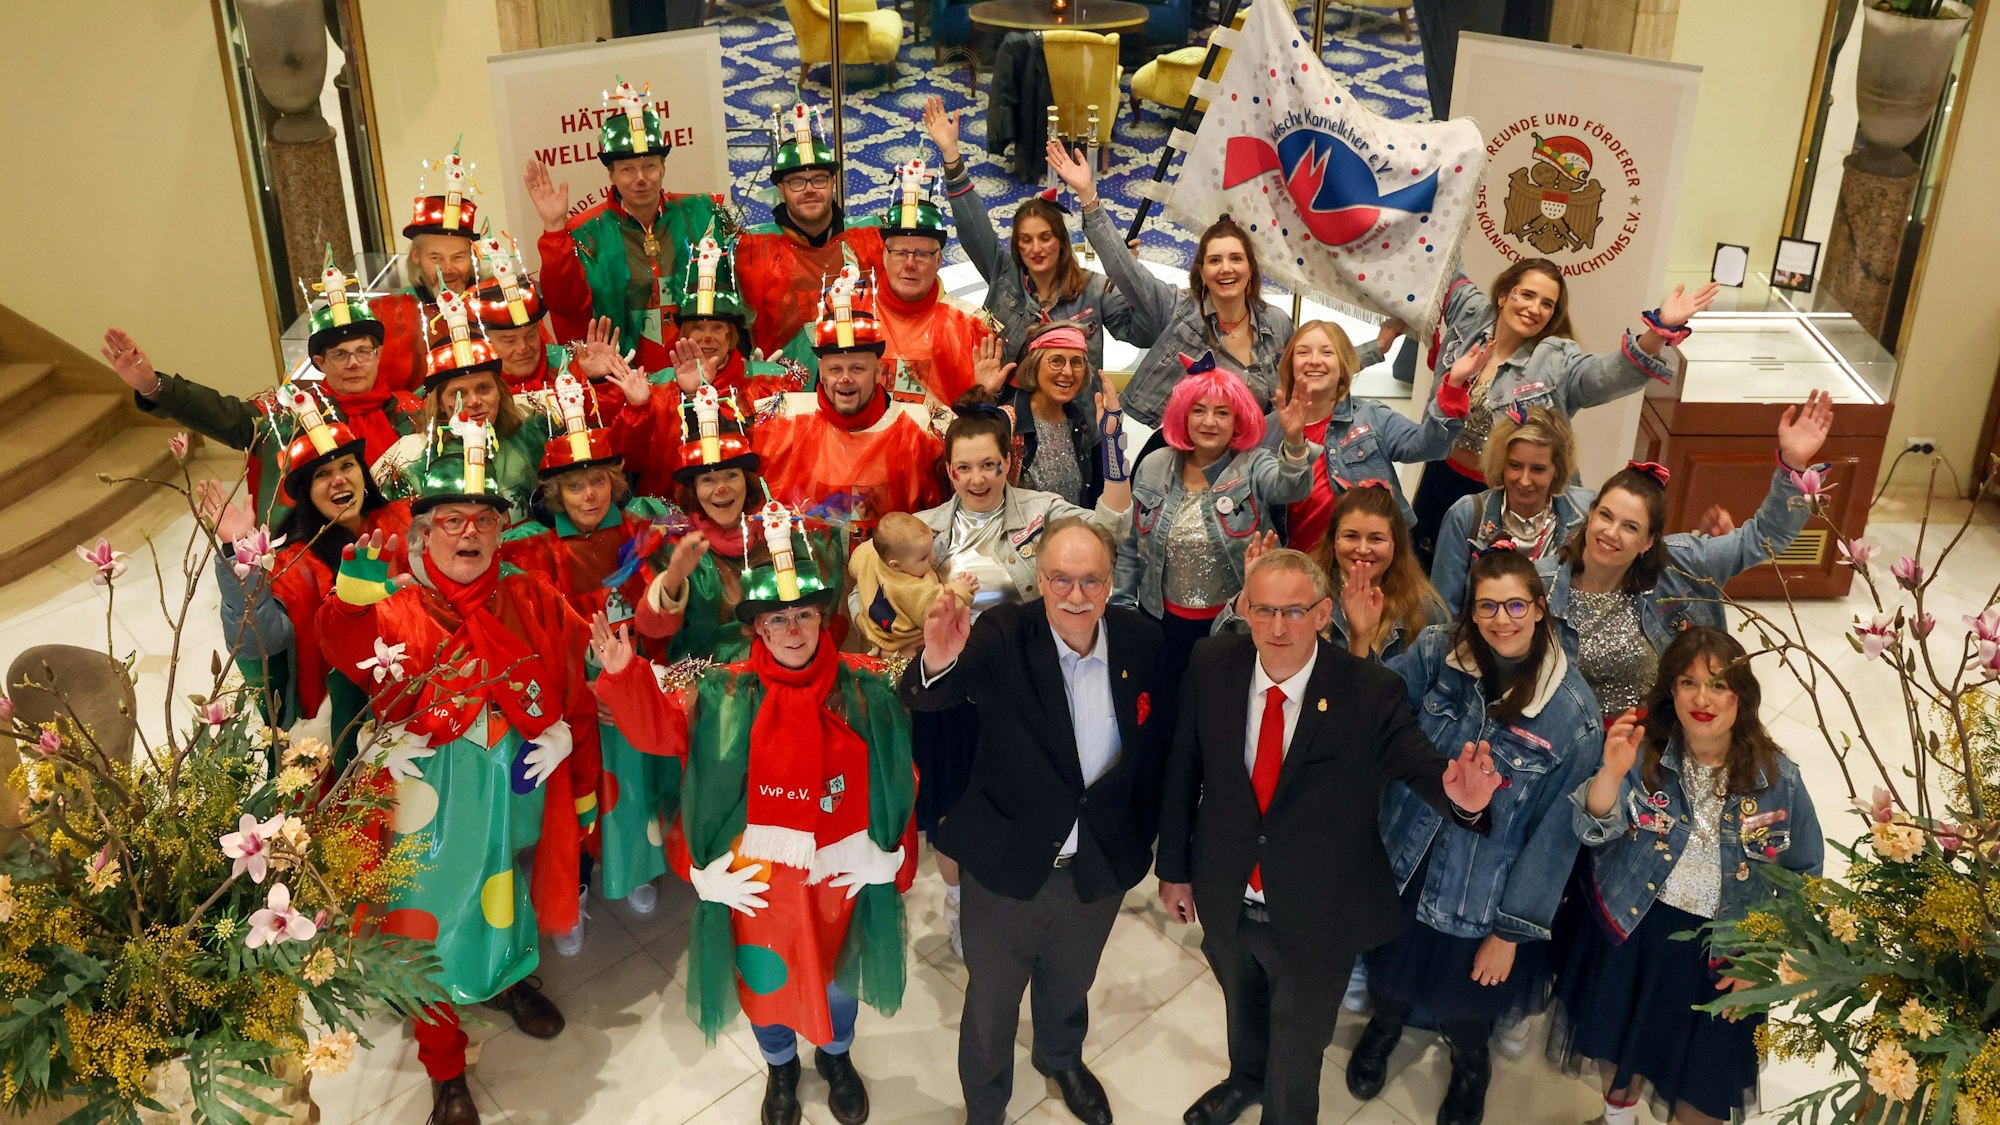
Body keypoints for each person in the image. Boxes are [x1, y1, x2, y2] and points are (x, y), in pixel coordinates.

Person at [1155, 549, 1504, 1125]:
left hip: (1316, 913)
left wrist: (1460, 799)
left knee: (1298, 1047)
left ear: (1323, 614)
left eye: (1294, 611)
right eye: (1263, 609)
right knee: (1242, 1009)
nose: (1275, 627)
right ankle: (1244, 1080)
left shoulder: (1369, 690)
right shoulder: (1213, 661)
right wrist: (1174, 867)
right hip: (1226, 888)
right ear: (1243, 608)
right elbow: (1182, 767)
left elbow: (1420, 765)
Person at [588, 523, 916, 1125]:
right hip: (758, 882)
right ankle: (781, 1066)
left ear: (823, 619)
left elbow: (901, 776)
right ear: (756, 628)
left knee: (840, 978)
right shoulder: (722, 691)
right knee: (767, 979)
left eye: (803, 616)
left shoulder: (864, 687)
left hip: (839, 873)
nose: (792, 631)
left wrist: (892, 860)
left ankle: (836, 1057)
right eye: (776, 619)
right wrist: (626, 675)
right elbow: (660, 730)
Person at [317, 426, 598, 1125]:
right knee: (424, 921)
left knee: (506, 887)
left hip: (512, 789)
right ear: (424, 530)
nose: (468, 533)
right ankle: (444, 1065)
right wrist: (351, 596)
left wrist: (563, 730)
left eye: (483, 519)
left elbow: (570, 664)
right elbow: (344, 643)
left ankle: (507, 980)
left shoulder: (528, 591)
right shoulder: (399, 602)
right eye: (451, 520)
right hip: (428, 798)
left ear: (502, 529)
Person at [902, 517, 1170, 1125]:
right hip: (1006, 865)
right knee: (992, 1005)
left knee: (1070, 983)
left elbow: (1156, 749)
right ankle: (986, 1106)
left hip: (1096, 864)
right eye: (1060, 580)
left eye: (1091, 581)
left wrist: (1143, 840)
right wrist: (938, 661)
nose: (1076, 596)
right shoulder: (1003, 632)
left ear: (1111, 583)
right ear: (1039, 582)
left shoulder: (1140, 641)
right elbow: (928, 698)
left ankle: (1060, 1058)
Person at [1346, 547, 1604, 1125]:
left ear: (1540, 608)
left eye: (1516, 604)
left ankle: (1469, 1065)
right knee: (1388, 974)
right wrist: (1361, 639)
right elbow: (1375, 717)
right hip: (1402, 862)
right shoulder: (1439, 651)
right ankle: (1383, 1029)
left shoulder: (1574, 717)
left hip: (1480, 894)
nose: (1501, 619)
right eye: (1487, 606)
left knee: (1467, 1005)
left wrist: (1511, 932)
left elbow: (1555, 841)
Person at [1554, 627, 1825, 1125]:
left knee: (1704, 1087)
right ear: (1670, 691)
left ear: (1742, 696)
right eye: (1687, 682)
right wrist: (1610, 776)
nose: (1703, 698)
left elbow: (1805, 876)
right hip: (1631, 930)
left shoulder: (1780, 781)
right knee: (1616, 1048)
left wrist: (1767, 963)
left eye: (1719, 684)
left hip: (1724, 954)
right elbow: (1592, 832)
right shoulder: (1640, 754)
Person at [907, 394, 1133, 955]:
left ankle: (1021, 891)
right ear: (948, 469)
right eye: (963, 467)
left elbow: (1111, 528)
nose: (977, 477)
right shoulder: (923, 529)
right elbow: (878, 601)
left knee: (1024, 797)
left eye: (989, 464)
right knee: (952, 807)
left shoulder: (1041, 510)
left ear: (1010, 460)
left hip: (1024, 686)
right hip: (956, 688)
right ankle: (960, 904)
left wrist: (1113, 452)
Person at [1370, 257, 1718, 564]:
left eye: (1547, 304)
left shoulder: (1555, 359)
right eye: (1527, 295)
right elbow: (1442, 258)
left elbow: (1610, 375)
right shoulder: (1472, 314)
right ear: (1504, 295)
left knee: (1490, 589)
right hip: (1440, 478)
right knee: (1427, 574)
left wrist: (1659, 332)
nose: (1535, 309)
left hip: (1507, 498)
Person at [498, 365, 681, 949]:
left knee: (633, 785)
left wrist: (633, 682)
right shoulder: (530, 547)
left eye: (598, 481)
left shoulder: (643, 528)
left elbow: (660, 616)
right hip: (573, 695)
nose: (588, 494)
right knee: (576, 795)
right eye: (574, 486)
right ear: (553, 491)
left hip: (634, 677)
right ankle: (572, 887)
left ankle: (634, 868)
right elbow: (533, 633)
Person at [1538, 391, 1834, 714]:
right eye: (1606, 516)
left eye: (1630, 527)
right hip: (1571, 740)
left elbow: (1765, 537)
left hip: (1658, 735)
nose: (1611, 533)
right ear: (1591, 515)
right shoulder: (1543, 580)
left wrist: (1792, 464)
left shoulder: (1680, 564)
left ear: (1649, 541)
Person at [202, 385, 411, 739]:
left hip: (421, 677)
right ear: (306, 496)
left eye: (347, 465)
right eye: (322, 474)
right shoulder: (297, 563)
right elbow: (260, 642)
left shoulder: (402, 518)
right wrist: (240, 559)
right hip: (352, 713)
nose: (340, 479)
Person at [104, 293, 425, 523]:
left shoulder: (412, 411)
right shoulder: (297, 413)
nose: (354, 363)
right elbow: (229, 418)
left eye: (363, 352)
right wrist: (152, 386)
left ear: (378, 355)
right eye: (340, 355)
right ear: (320, 363)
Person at [1113, 359, 1311, 719]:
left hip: (1233, 628)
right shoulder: (1154, 464)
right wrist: (1123, 613)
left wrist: (1295, 441)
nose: (1209, 421)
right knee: (1165, 722)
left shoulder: (1253, 464)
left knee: (1221, 724)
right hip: (1161, 625)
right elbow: (1130, 547)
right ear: (1182, 416)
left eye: (1222, 412)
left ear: (1238, 421)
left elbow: (1292, 487)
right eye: (1199, 410)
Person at [1050, 141, 1293, 429]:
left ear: (1250, 269)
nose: (1226, 268)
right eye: (1215, 260)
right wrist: (1088, 195)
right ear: (1202, 273)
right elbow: (1125, 270)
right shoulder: (1178, 307)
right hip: (1177, 450)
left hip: (1249, 459)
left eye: (1236, 259)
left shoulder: (1277, 324)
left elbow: (1309, 376)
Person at [525, 75, 724, 374]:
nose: (641, 178)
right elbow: (564, 303)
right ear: (611, 175)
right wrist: (554, 228)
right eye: (627, 169)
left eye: (650, 166)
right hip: (624, 374)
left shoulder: (699, 214)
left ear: (663, 168)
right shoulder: (587, 232)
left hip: (698, 366)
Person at [924, 96, 1138, 370]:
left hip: (1074, 409)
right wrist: (951, 155)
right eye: (1026, 240)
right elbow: (972, 227)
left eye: (1045, 238)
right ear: (1017, 247)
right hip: (1006, 406)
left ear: (1062, 242)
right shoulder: (1004, 274)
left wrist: (1128, 274)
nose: (1036, 248)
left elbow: (1141, 332)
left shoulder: (1094, 290)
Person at [755, 271, 946, 532]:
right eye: (835, 370)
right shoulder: (783, 421)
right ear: (821, 373)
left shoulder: (921, 430)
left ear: (879, 372)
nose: (845, 379)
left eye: (857, 369)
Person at [1266, 320, 1469, 553]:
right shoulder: (1267, 431)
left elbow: (1429, 446)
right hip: (1296, 568)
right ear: (1289, 363)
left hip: (1369, 561)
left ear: (1344, 365)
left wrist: (1454, 387)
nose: (1314, 360)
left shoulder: (1372, 418)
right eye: (1303, 352)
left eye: (1327, 352)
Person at [734, 96, 888, 366]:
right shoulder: (751, 248)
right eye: (796, 182)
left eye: (818, 179)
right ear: (781, 189)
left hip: (859, 381)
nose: (809, 189)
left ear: (832, 184)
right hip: (783, 389)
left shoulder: (872, 236)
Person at [372, 327, 556, 519]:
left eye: (483, 388)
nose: (474, 402)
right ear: (441, 403)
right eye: (458, 393)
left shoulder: (532, 430)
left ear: (499, 392)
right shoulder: (409, 456)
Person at [1430, 404, 1593, 611]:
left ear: (1557, 470)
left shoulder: (1585, 513)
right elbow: (1443, 611)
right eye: (1515, 466)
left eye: (1538, 469)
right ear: (1501, 463)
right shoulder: (1465, 515)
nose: (1525, 480)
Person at [866, 156, 997, 405]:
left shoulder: (971, 326)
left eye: (922, 254)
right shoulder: (852, 313)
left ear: (939, 260)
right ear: (884, 256)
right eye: (900, 252)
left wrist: (984, 397)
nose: (910, 264)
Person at [373, 144, 489, 394]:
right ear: (416, 255)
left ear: (473, 256)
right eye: (436, 258)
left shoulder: (495, 301)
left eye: (458, 257)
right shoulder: (391, 314)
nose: (447, 269)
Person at [994, 321, 1118, 510]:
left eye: (1076, 362)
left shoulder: (1080, 423)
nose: (1067, 372)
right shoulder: (1006, 422)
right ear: (1034, 365)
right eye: (1056, 361)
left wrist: (1113, 440)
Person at [846, 512, 973, 656]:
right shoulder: (915, 588)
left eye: (931, 549)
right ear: (896, 566)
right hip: (905, 644)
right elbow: (940, 615)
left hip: (876, 633)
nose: (933, 557)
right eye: (923, 557)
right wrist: (960, 591)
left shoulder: (869, 555)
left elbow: (854, 564)